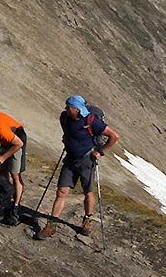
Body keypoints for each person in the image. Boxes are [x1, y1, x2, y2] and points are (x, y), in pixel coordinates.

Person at [36, 95, 120, 239]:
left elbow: (114, 136)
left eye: (68, 107)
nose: (65, 109)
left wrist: (100, 152)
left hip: (87, 160)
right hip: (70, 159)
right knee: (61, 191)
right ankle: (51, 225)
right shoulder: (65, 118)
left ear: (76, 109)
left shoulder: (92, 122)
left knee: (88, 192)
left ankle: (87, 219)